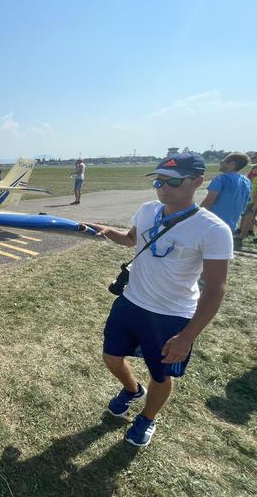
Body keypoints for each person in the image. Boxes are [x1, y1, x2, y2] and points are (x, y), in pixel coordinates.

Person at [87, 150, 233, 447]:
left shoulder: (213, 229)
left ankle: (147, 419)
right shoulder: (147, 209)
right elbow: (131, 239)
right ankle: (131, 390)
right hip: (131, 302)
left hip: (171, 315)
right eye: (158, 182)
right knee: (111, 357)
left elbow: (216, 287)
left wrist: (187, 336)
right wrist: (105, 231)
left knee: (161, 374)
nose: (163, 188)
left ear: (197, 182)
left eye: (173, 182)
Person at [200, 152, 251, 234]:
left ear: (232, 164)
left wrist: (194, 216)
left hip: (213, 224)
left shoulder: (221, 179)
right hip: (231, 226)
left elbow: (207, 203)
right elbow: (245, 204)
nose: (220, 163)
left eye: (223, 161)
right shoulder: (246, 181)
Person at [237, 152, 257, 242]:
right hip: (251, 196)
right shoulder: (254, 168)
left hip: (254, 197)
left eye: (254, 157)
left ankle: (243, 234)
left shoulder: (255, 169)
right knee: (249, 215)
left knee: (250, 216)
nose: (252, 158)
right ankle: (247, 232)